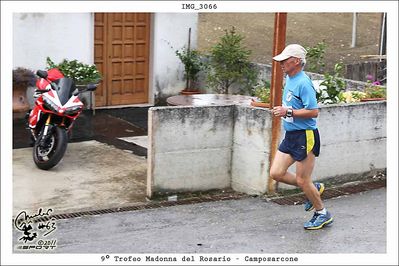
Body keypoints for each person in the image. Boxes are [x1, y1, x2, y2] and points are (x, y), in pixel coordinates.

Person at [269, 44, 333, 230]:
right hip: (291, 135)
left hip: (305, 136)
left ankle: (322, 213)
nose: (280, 63)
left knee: (303, 180)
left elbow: (313, 112)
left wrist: (287, 111)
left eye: (284, 60)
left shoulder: (304, 83)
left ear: (296, 61)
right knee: (276, 173)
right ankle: (314, 188)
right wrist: (286, 112)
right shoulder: (289, 78)